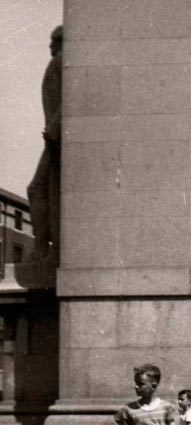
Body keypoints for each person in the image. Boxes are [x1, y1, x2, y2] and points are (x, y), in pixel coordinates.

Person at [27, 26, 63, 265]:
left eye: (53, 41)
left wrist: (53, 132)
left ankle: (43, 250)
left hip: (56, 139)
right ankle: (46, 249)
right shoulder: (60, 63)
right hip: (54, 138)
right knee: (44, 191)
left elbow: (68, 100)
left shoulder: (60, 63)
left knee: (38, 189)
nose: (49, 46)